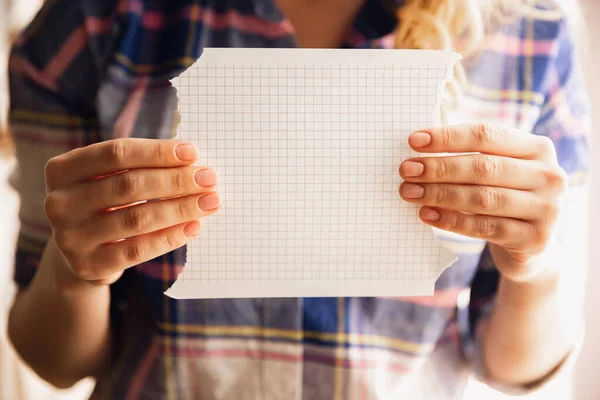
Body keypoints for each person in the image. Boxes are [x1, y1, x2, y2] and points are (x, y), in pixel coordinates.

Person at [5, 0, 590, 399]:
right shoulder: (91, 20)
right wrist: (75, 272)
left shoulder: (529, 29)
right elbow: (53, 360)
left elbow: (513, 368)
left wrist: (534, 267)